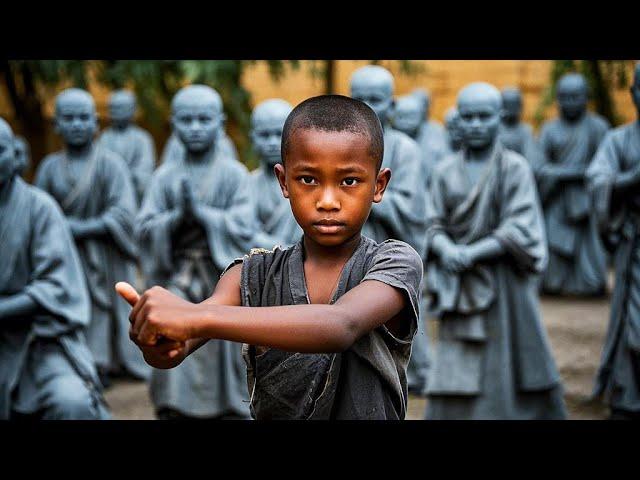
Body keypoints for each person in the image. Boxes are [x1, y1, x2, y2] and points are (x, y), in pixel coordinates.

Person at [117, 95, 423, 420]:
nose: (328, 201)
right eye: (308, 179)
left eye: (349, 181)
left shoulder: (395, 262)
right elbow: (178, 345)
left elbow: (341, 325)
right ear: (283, 181)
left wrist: (192, 317)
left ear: (379, 185)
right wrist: (159, 339)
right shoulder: (252, 274)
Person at [424, 83, 566, 419]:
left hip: (505, 284)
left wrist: (471, 254)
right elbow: (431, 223)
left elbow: (520, 227)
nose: (475, 124)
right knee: (457, 360)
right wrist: (445, 249)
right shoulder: (445, 170)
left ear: (499, 118)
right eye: (468, 117)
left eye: (484, 117)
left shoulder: (514, 168)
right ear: (457, 119)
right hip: (459, 286)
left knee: (508, 355)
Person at [136, 85, 255, 420]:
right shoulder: (164, 178)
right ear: (174, 124)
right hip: (179, 277)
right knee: (170, 334)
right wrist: (176, 219)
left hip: (225, 280)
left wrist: (202, 215)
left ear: (220, 122)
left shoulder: (234, 175)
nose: (196, 127)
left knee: (229, 340)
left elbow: (245, 227)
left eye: (205, 119)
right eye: (187, 120)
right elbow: (143, 229)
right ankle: (175, 408)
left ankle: (231, 408)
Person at [34, 88, 149, 387]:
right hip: (63, 254)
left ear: (96, 123)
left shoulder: (110, 164)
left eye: (84, 117)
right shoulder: (49, 168)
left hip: (106, 252)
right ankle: (75, 361)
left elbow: (124, 214)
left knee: (107, 307)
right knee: (69, 305)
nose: (76, 124)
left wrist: (83, 227)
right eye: (68, 118)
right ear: (56, 124)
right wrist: (61, 230)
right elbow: (40, 214)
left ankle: (106, 362)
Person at [0, 117, 110, 420]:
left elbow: (55, 286)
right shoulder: (52, 168)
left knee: (71, 402)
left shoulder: (39, 208)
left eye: (0, 151)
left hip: (40, 342)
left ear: (15, 154)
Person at [350, 65, 429, 395]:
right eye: (360, 99)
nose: (368, 106)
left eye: (377, 99)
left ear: (392, 105)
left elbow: (412, 208)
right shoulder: (340, 143)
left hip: (391, 250)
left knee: (397, 316)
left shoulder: (406, 150)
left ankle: (416, 373)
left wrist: (362, 192)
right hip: (349, 251)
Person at [587, 62, 640, 420]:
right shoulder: (619, 140)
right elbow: (599, 181)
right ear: (633, 93)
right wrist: (633, 177)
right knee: (634, 328)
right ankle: (628, 395)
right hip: (635, 249)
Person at [537, 73, 610, 296]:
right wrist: (573, 172)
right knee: (553, 267)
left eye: (575, 97)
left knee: (592, 269)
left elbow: (604, 168)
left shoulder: (598, 127)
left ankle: (590, 285)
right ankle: (555, 285)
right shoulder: (549, 130)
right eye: (564, 97)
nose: (569, 103)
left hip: (587, 203)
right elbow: (540, 169)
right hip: (556, 200)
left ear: (586, 97)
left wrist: (561, 172)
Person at [247, 99, 301, 249]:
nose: (272, 142)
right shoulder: (247, 184)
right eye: (264, 135)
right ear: (253, 138)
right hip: (260, 263)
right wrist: (279, 248)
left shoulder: (308, 183)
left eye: (279, 134)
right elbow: (245, 231)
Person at [97, 90, 156, 206]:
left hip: (135, 196)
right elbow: (98, 167)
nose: (115, 112)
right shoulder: (104, 138)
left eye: (121, 108)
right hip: (108, 195)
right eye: (112, 108)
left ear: (133, 109)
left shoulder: (143, 139)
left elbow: (145, 170)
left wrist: (127, 178)